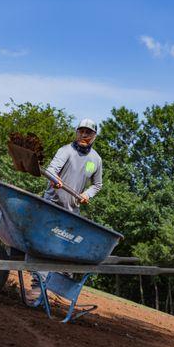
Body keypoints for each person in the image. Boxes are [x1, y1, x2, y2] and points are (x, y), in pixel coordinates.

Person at [30, 118, 102, 297]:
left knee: (65, 249)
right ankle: (37, 285)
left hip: (72, 211)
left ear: (94, 136)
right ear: (76, 132)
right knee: (45, 246)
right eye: (81, 131)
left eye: (88, 132)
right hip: (51, 205)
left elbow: (97, 185)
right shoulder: (66, 151)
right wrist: (55, 180)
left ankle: (56, 285)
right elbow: (51, 170)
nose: (84, 135)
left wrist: (87, 194)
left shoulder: (96, 160)